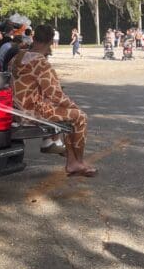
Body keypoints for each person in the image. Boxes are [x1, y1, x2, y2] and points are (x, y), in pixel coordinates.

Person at [9, 24, 97, 177]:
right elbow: (55, 94)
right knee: (79, 117)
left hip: (15, 109)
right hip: (31, 111)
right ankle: (77, 162)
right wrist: (75, 107)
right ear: (51, 41)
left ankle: (68, 157)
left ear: (34, 38)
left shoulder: (18, 56)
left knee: (68, 115)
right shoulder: (41, 63)